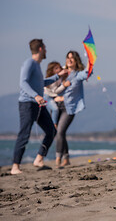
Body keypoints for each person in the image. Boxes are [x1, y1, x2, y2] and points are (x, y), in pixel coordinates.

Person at [11, 39, 67, 175]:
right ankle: (15, 167)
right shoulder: (29, 63)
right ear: (41, 49)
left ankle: (39, 159)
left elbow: (41, 82)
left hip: (38, 105)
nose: (47, 50)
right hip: (27, 104)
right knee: (24, 134)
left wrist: (57, 77)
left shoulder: (37, 65)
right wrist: (36, 96)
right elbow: (23, 83)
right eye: (45, 48)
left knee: (51, 131)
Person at [55, 50, 92, 167]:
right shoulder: (61, 71)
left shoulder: (78, 74)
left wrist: (90, 60)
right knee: (60, 132)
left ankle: (58, 159)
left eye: (72, 58)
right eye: (68, 58)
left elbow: (87, 73)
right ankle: (66, 158)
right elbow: (50, 83)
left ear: (76, 61)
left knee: (60, 131)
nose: (69, 60)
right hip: (55, 107)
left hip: (69, 108)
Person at [44, 61, 71, 128]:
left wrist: (68, 64)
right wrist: (64, 85)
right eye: (56, 68)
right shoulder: (52, 81)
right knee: (55, 109)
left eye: (59, 67)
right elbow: (56, 91)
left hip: (54, 96)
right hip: (47, 96)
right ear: (52, 71)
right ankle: (54, 124)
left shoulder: (61, 72)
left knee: (55, 108)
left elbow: (65, 67)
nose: (59, 69)